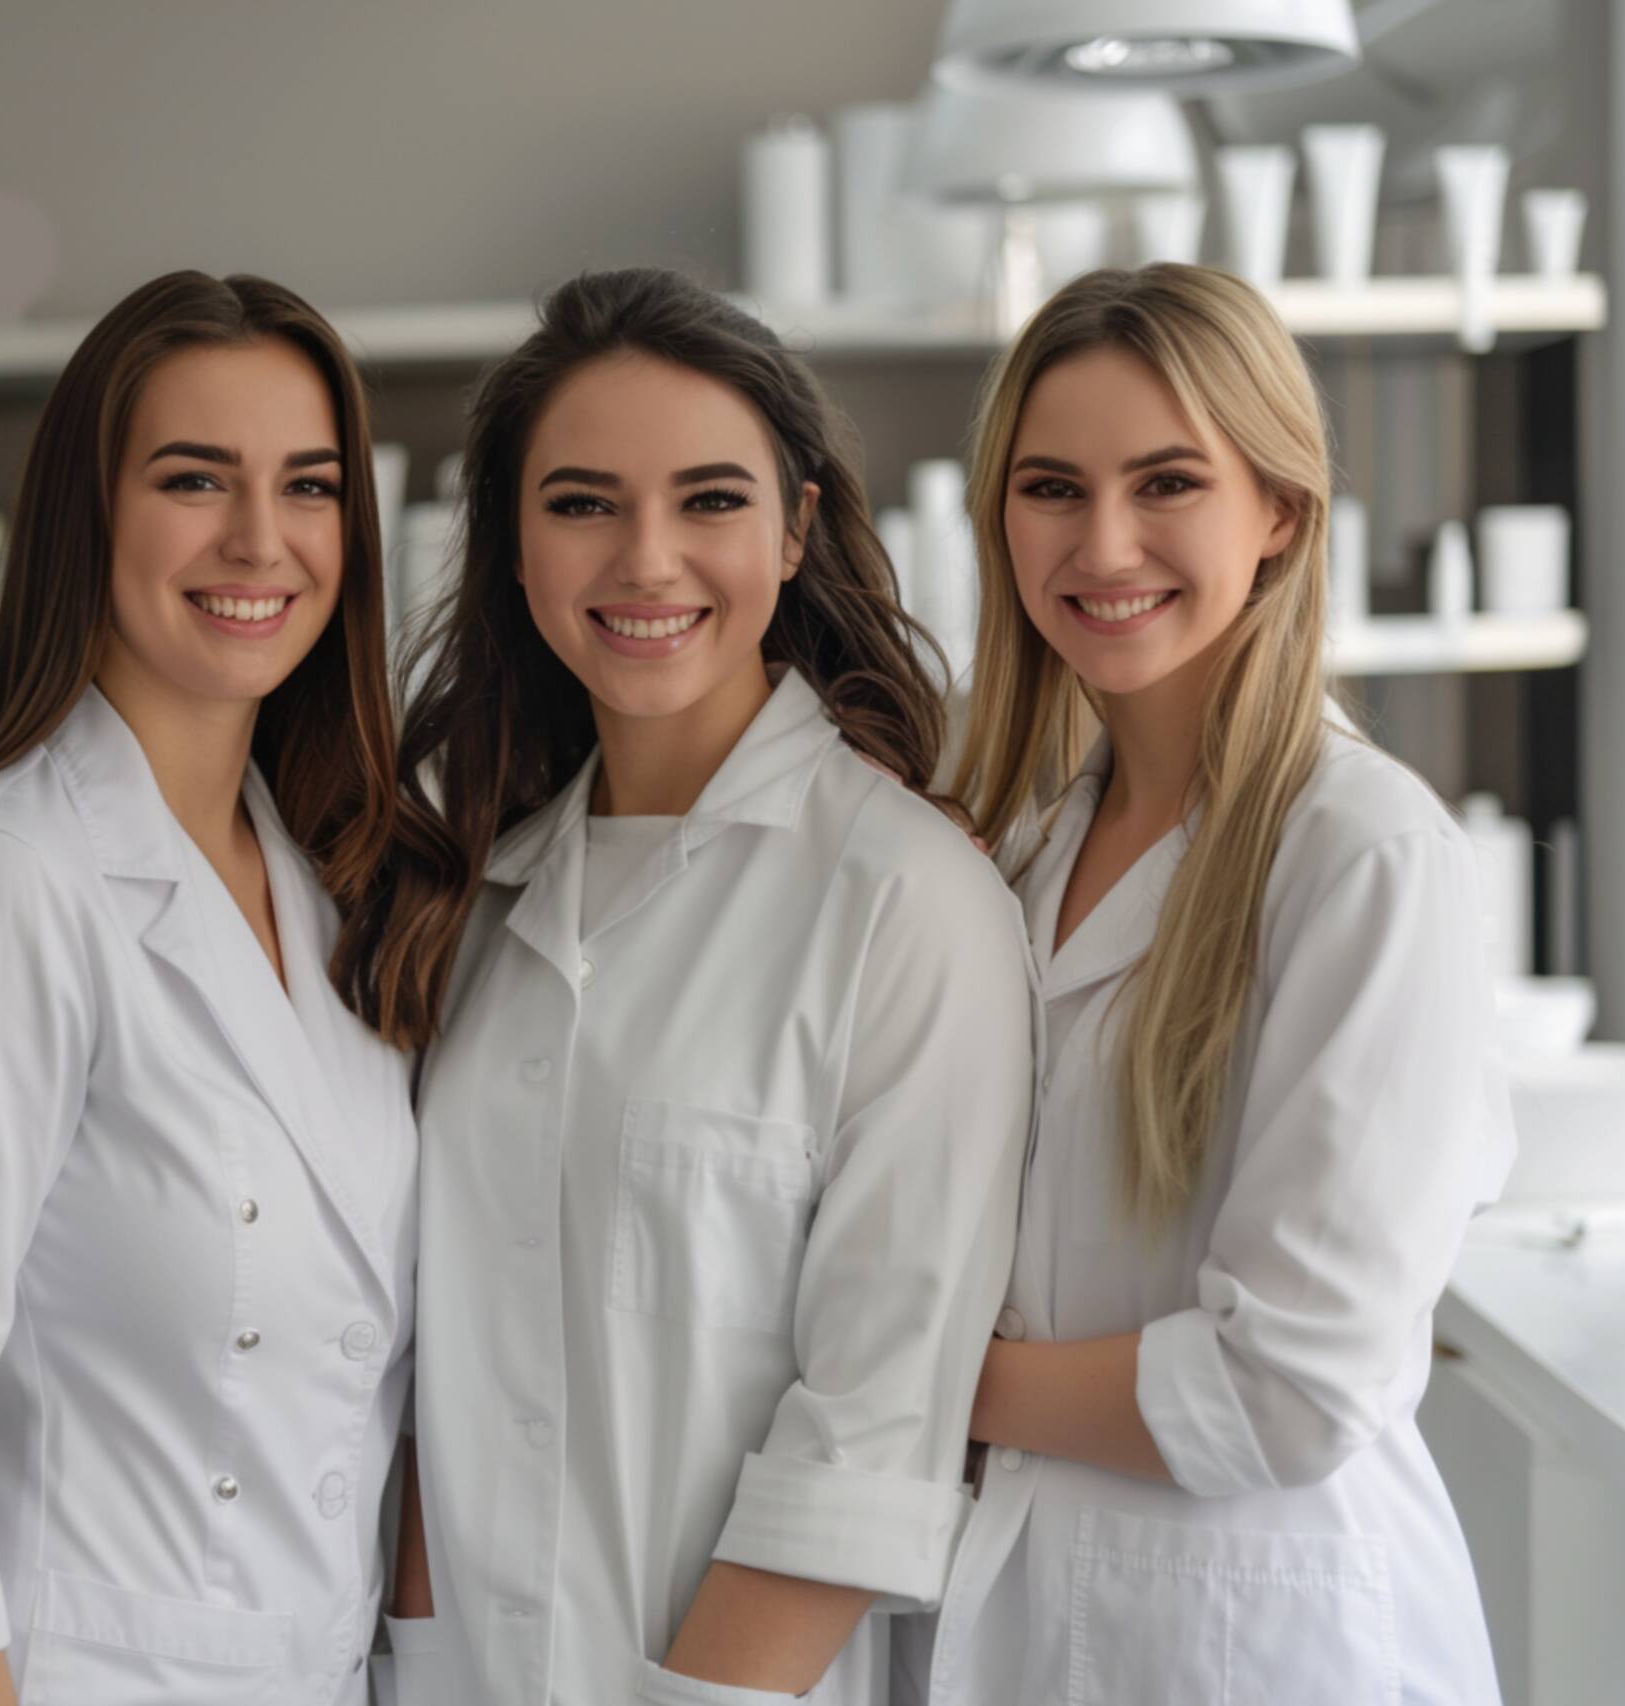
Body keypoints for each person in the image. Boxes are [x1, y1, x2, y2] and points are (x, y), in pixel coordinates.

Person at [343, 267, 1034, 1704]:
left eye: (711, 501)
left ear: (794, 532)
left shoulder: (907, 901)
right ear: (513, 551)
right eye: (583, 503)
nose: (646, 559)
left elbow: (873, 1419)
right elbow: (436, 1363)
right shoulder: (465, 905)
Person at [0, 270, 415, 1706]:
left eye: (308, 485)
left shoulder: (332, 880)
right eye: (196, 478)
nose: (260, 538)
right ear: (91, 512)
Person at [907, 263, 1512, 1704]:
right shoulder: (1037, 845)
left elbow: (1293, 1385)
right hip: (1044, 1610)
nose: (1102, 541)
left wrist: (923, 1377)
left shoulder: (1363, 855)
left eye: (1167, 481)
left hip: (1275, 1642)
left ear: (1280, 512)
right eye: (1052, 486)